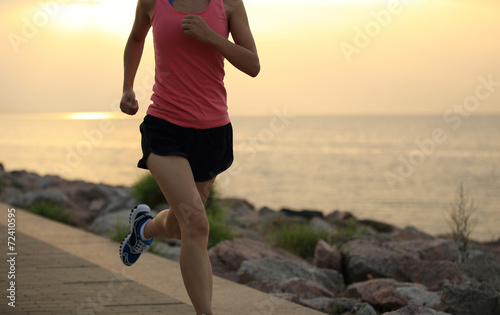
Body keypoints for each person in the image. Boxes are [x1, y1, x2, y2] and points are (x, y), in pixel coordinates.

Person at [118, 0, 259, 314]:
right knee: (196, 224)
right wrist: (127, 86)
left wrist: (212, 36)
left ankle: (144, 229)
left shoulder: (230, 5)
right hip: (164, 127)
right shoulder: (152, 1)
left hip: (212, 132)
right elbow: (137, 38)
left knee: (184, 227)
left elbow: (253, 65)